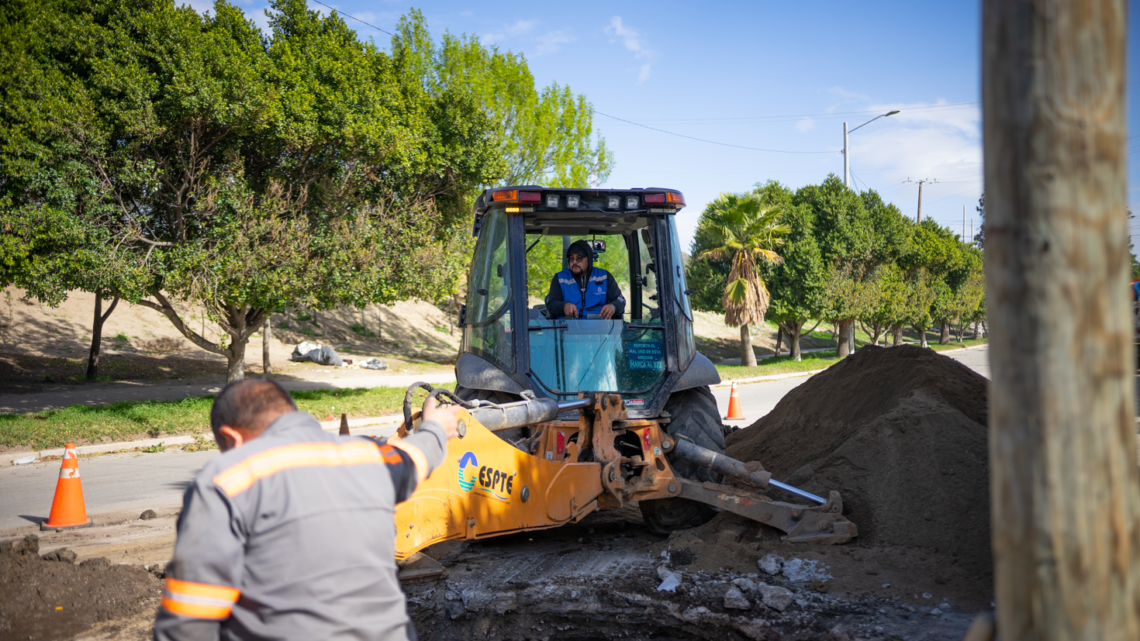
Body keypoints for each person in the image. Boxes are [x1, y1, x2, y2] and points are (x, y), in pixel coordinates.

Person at [153, 377, 461, 641]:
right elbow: (420, 455)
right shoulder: (370, 456)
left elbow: (189, 621)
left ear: (232, 438)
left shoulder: (227, 480)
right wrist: (435, 426)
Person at [545, 239, 626, 320]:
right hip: (568, 329)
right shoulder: (560, 278)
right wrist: (564, 306)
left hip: (599, 329)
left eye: (579, 258)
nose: (575, 262)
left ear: (589, 258)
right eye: (571, 258)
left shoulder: (604, 276)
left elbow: (620, 300)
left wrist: (613, 307)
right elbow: (552, 303)